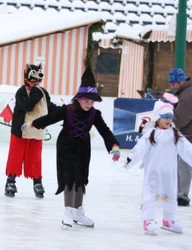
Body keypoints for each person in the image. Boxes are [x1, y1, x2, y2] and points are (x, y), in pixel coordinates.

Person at [24, 67, 120, 228]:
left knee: (81, 179)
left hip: (83, 148)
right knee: (69, 178)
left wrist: (114, 145)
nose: (89, 103)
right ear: (79, 99)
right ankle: (68, 211)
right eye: (86, 100)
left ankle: (78, 212)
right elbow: (50, 118)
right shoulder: (67, 110)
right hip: (66, 147)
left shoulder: (94, 114)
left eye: (92, 101)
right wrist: (33, 124)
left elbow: (105, 130)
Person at [125, 100, 192, 235]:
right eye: (165, 116)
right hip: (154, 172)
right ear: (158, 118)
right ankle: (148, 219)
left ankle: (169, 219)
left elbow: (186, 148)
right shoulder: (151, 133)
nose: (168, 120)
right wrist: (131, 158)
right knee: (151, 194)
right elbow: (140, 148)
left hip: (169, 172)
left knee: (170, 193)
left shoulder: (174, 133)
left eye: (170, 116)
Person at [4, 63, 60, 198]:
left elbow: (49, 106)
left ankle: (37, 181)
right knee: (16, 156)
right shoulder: (22, 91)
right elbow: (26, 106)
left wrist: (63, 112)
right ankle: (10, 180)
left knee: (35, 157)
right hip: (20, 130)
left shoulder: (42, 92)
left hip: (37, 130)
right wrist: (35, 94)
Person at [168, 68, 192, 207]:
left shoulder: (187, 96)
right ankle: (179, 192)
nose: (171, 87)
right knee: (181, 165)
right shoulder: (185, 91)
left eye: (173, 84)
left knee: (184, 166)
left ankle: (182, 196)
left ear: (180, 81)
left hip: (188, 135)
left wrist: (167, 124)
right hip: (186, 134)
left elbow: (181, 119)